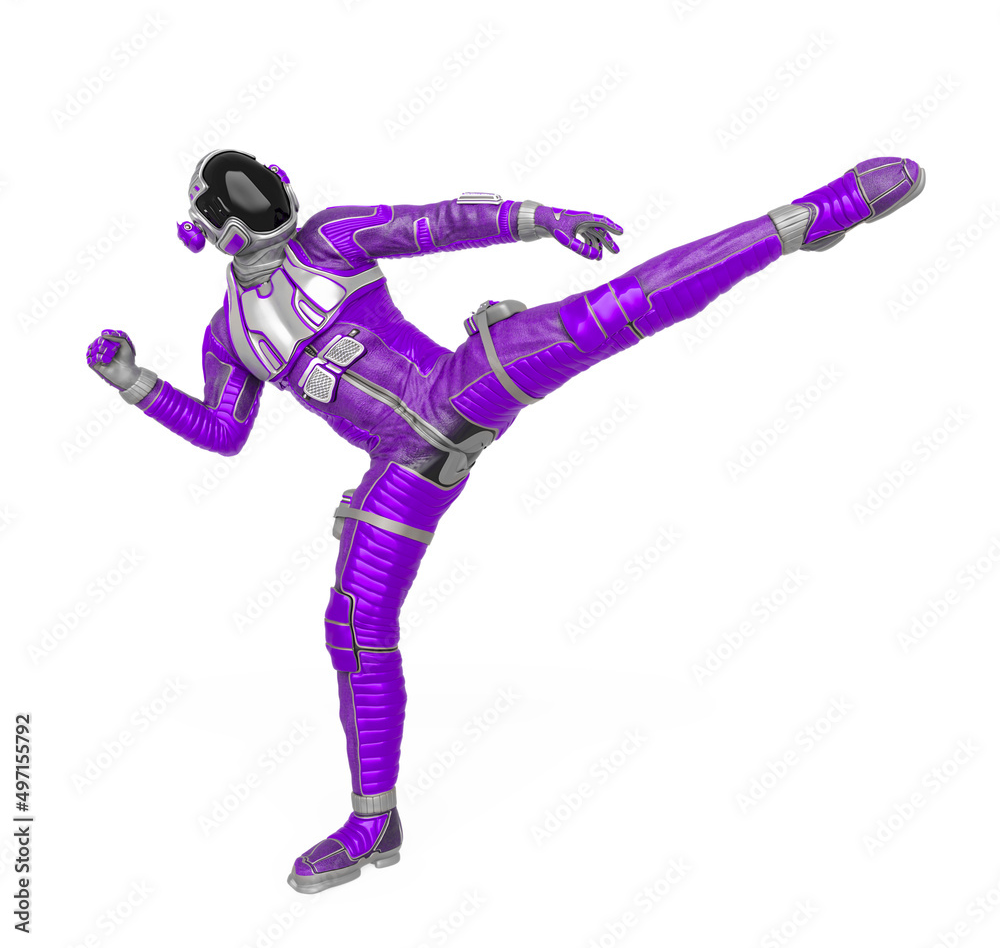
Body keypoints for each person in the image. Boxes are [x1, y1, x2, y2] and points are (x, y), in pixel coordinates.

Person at [86, 148, 925, 893]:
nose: (260, 213)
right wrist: (136, 383)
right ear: (209, 228)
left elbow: (437, 224)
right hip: (401, 467)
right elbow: (223, 431)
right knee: (353, 625)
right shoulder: (228, 335)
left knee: (612, 311)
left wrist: (539, 219)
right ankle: (374, 822)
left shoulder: (332, 239)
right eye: (241, 205)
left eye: (260, 194)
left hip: (457, 386)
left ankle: (806, 218)